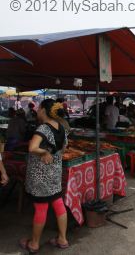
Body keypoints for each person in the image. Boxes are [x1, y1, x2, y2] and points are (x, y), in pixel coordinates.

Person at [20, 99, 69, 253]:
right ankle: (62, 239)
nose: (37, 111)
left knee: (41, 207)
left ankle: (34, 244)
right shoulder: (61, 126)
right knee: (58, 203)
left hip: (41, 177)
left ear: (42, 110)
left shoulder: (43, 128)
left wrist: (44, 151)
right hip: (55, 174)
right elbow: (65, 147)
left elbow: (32, 147)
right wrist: (51, 151)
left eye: (39, 108)